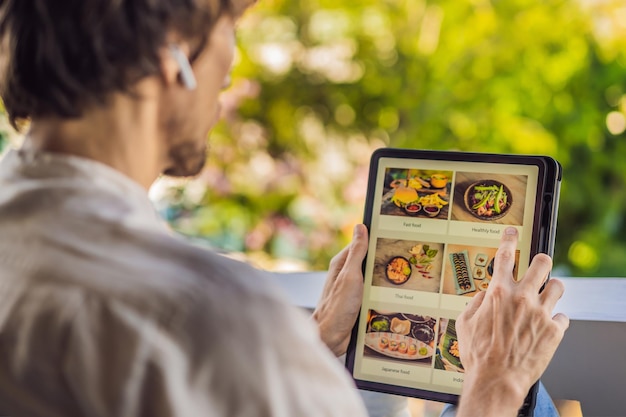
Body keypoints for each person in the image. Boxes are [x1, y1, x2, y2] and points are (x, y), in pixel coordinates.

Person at [0, 1, 568, 417]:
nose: (231, 61)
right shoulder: (209, 311)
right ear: (171, 53)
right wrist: (496, 381)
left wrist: (316, 341)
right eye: (230, 26)